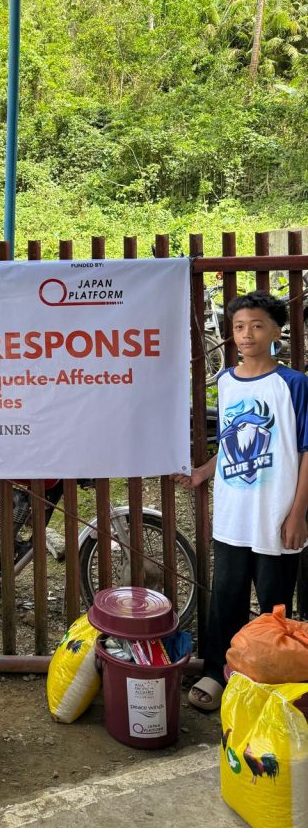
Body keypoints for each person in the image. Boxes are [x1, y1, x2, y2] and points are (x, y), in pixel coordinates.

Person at [174, 291, 308, 711]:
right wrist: (202, 472)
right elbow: (230, 443)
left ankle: (268, 679)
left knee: (275, 604)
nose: (246, 334)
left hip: (276, 513)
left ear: (276, 331)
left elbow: (306, 450)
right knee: (226, 596)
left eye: (256, 326)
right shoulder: (226, 381)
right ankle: (218, 672)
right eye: (238, 327)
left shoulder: (293, 384)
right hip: (234, 514)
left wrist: (298, 513)